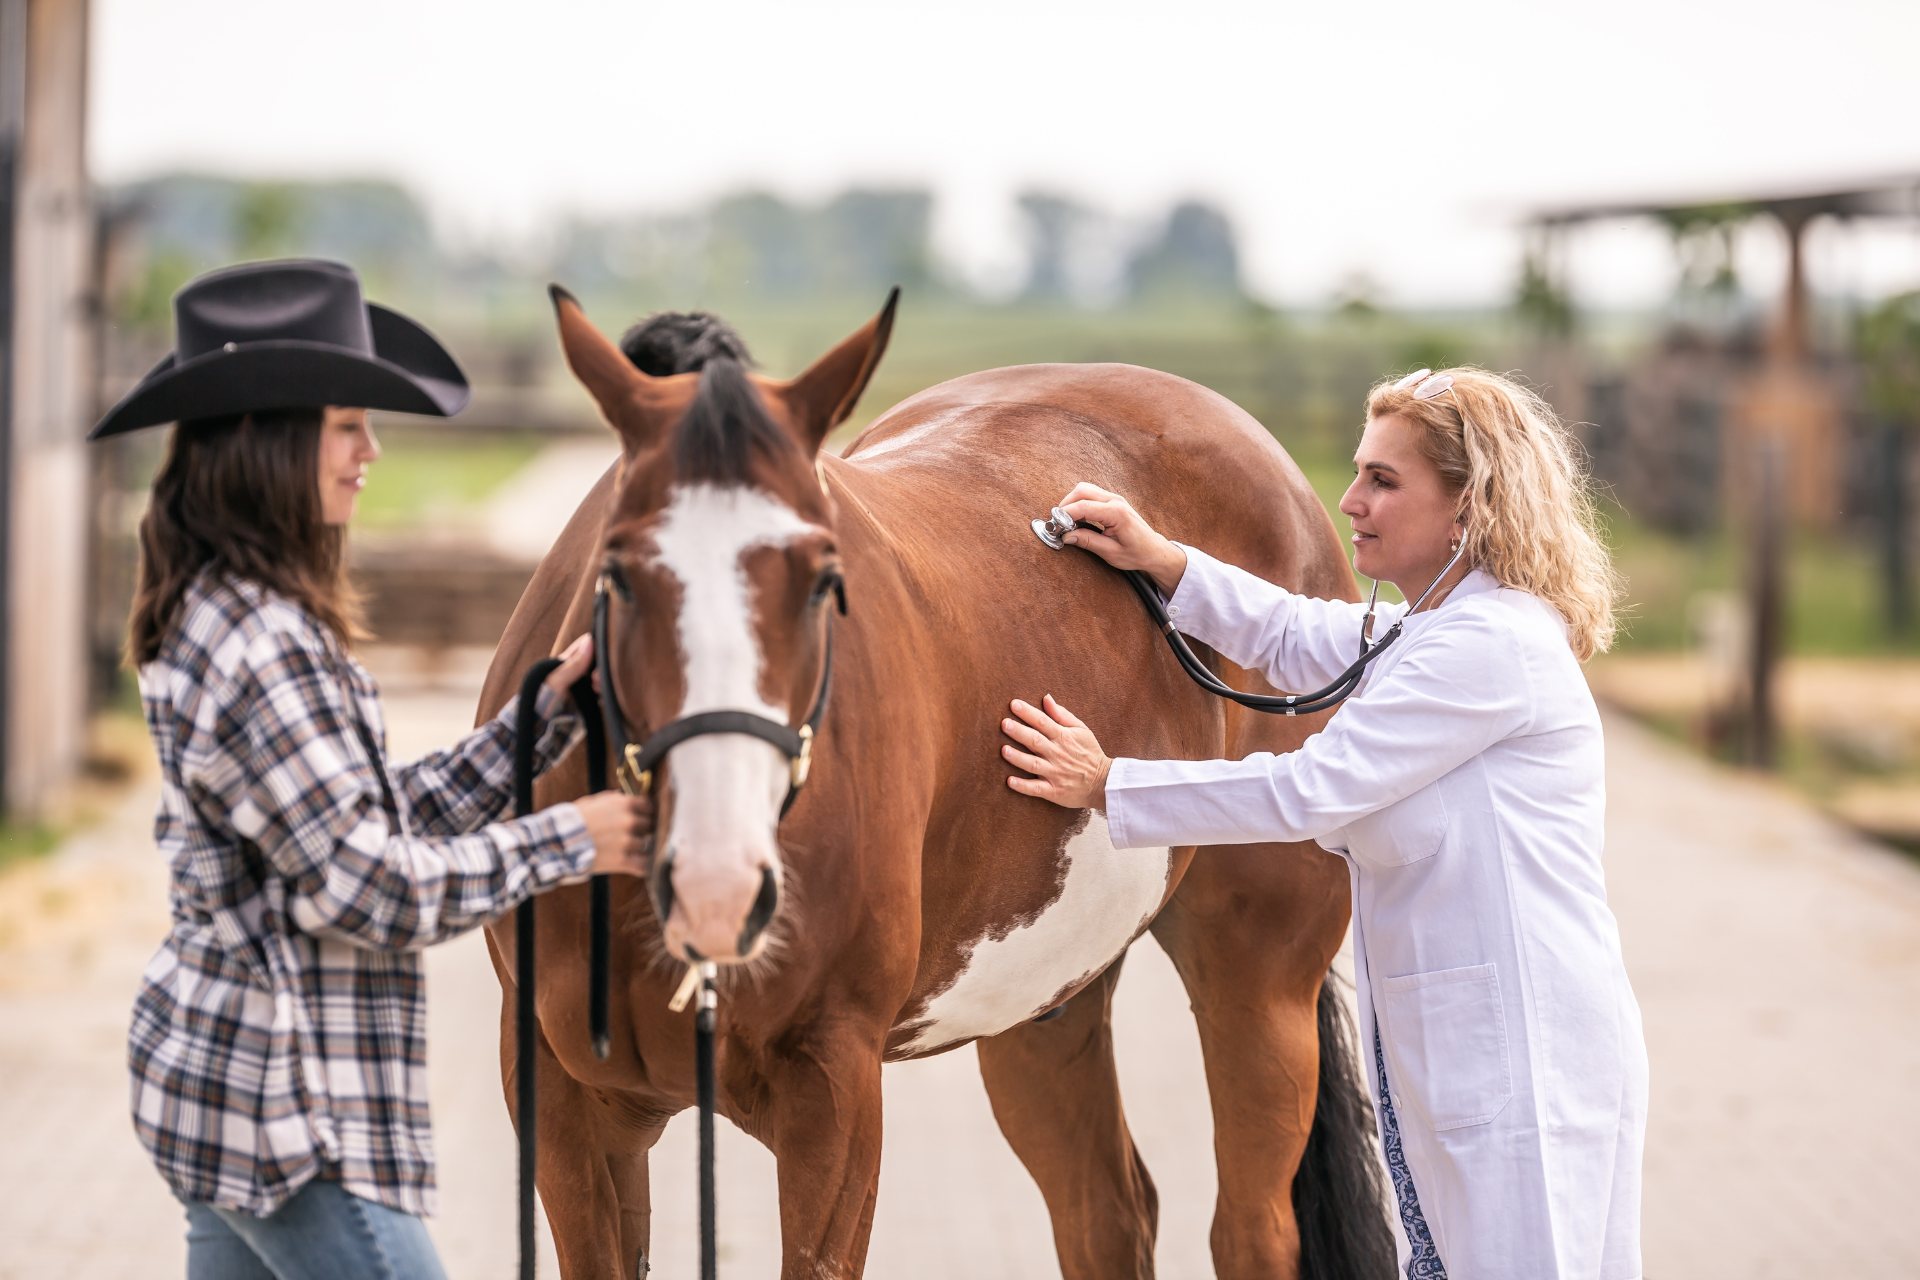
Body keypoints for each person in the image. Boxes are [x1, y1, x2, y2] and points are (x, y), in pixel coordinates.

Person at [999, 368, 1648, 1279]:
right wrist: (1162, 559)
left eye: (1384, 480)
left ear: (1470, 507)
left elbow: (1309, 792)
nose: (1351, 501)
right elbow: (1298, 633)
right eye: (1358, 472)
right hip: (1474, 1045)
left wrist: (1110, 785)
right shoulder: (1437, 629)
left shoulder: (1488, 647)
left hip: (1528, 1059)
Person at [91, 259, 653, 1280]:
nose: (372, 450)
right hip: (286, 1114)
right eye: (348, 423)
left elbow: (358, 819)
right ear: (274, 440)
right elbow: (370, 886)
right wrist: (572, 838)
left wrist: (538, 725)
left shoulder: (219, 608)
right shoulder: (267, 642)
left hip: (223, 1086)